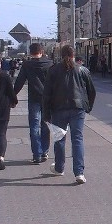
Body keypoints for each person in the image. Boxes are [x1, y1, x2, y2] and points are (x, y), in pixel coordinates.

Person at [43, 44, 96, 184]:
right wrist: (88, 107)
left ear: (61, 55)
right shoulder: (82, 70)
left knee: (59, 138)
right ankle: (79, 173)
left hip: (58, 108)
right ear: (74, 55)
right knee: (77, 139)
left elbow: (46, 94)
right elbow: (92, 91)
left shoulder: (53, 70)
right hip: (77, 108)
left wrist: (46, 112)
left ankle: (60, 168)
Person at [13, 43, 53, 164]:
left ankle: (36, 154)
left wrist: (13, 96)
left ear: (30, 52)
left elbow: (20, 81)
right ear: (42, 51)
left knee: (34, 126)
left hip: (34, 99)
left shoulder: (27, 65)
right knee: (46, 126)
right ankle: (45, 151)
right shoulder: (50, 64)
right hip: (48, 99)